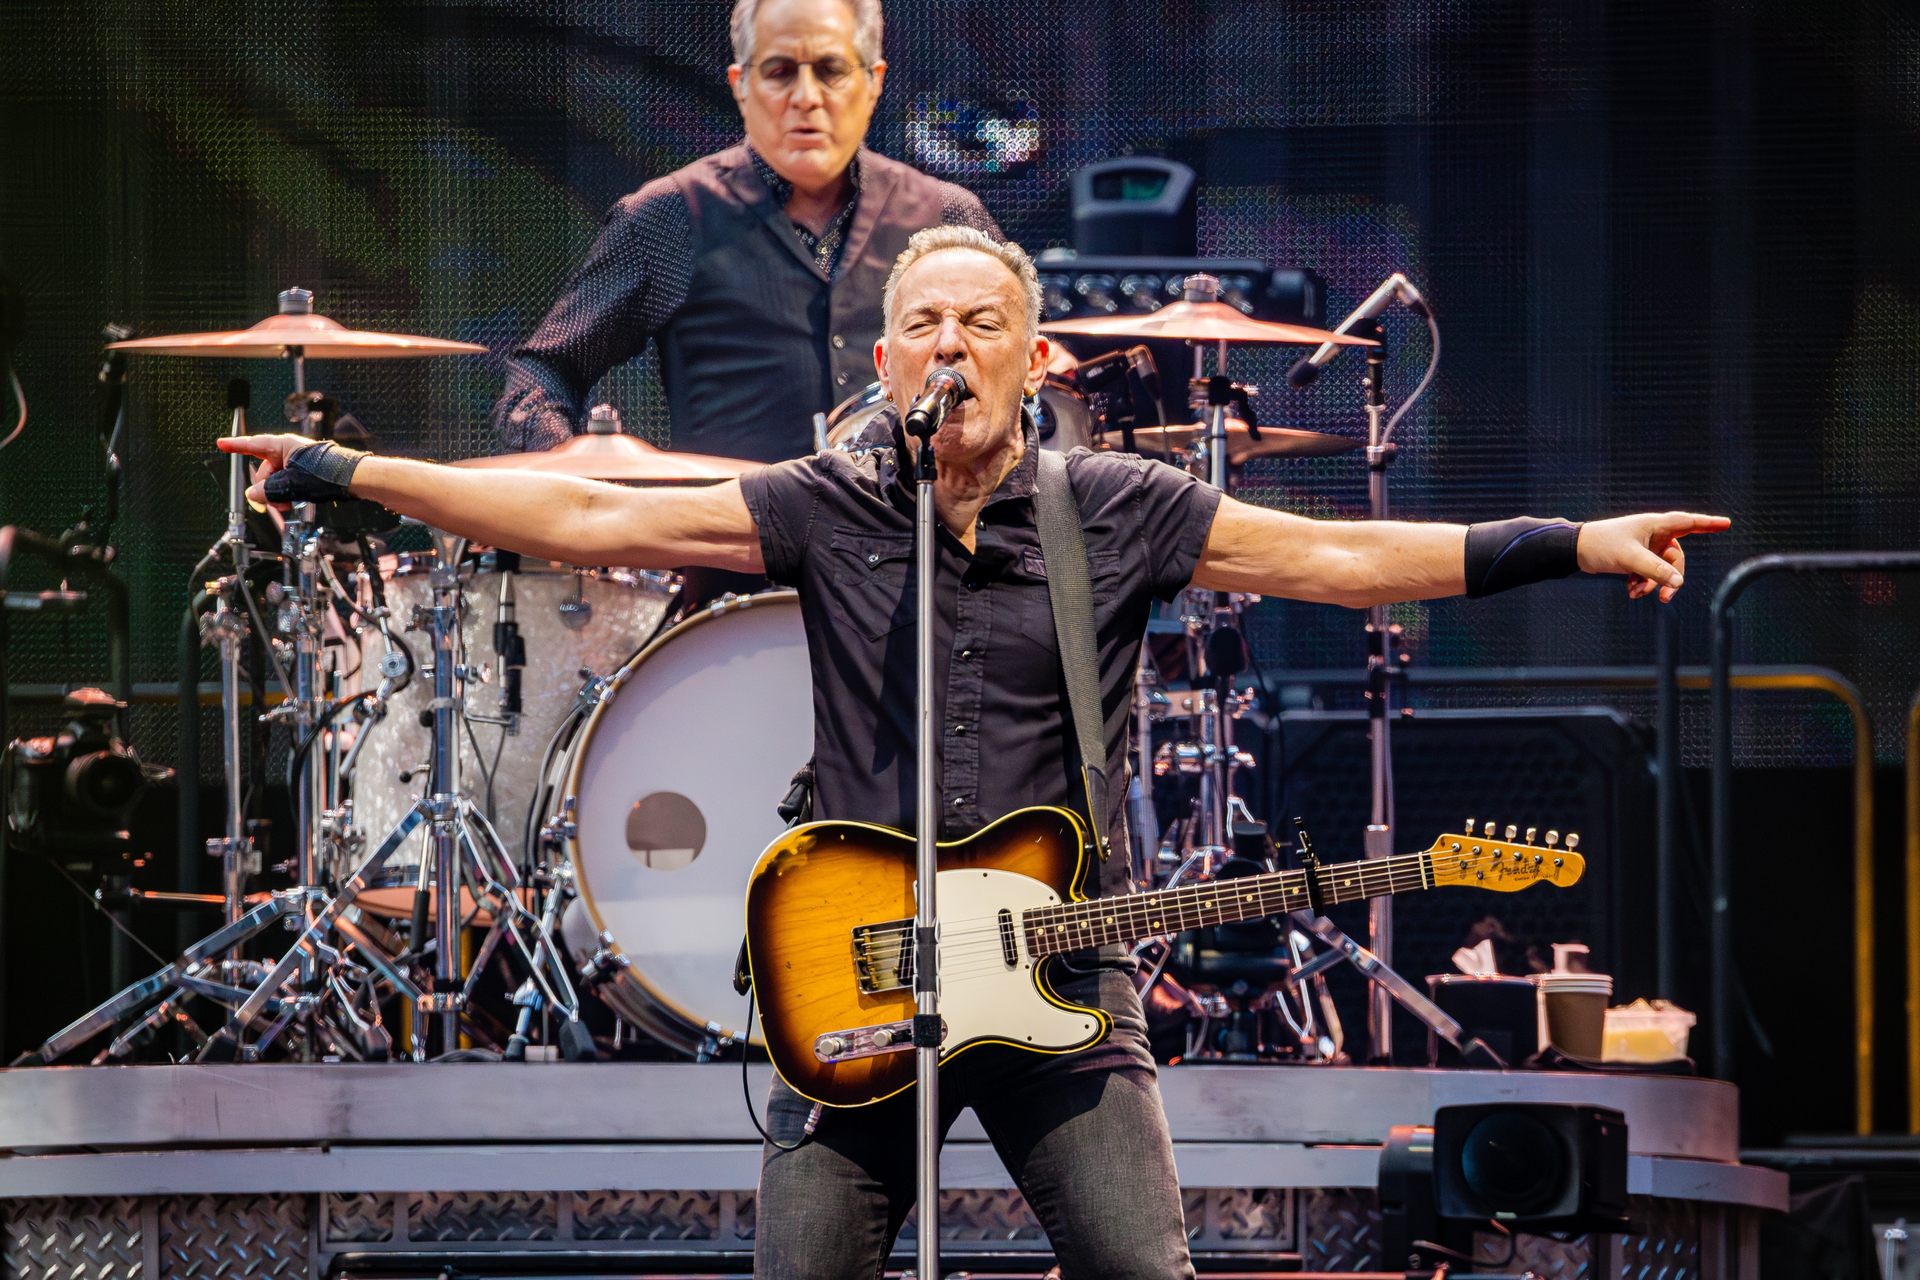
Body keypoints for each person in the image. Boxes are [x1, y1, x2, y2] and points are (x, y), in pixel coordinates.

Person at [222, 226, 1728, 1280]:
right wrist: (354, 468)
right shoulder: (824, 502)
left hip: (1065, 968)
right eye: (926, 326)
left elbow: (1339, 559)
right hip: (857, 963)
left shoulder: (1119, 507)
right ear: (888, 360)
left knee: (1141, 1266)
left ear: (1036, 355)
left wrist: (1567, 542)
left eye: (981, 324)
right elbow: (592, 516)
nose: (952, 345)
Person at [489, 0, 1000, 465]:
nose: (806, 97)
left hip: (919, 558)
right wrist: (578, 470)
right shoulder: (668, 217)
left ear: (873, 80)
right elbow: (539, 377)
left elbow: (1020, 373)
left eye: (831, 70)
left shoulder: (948, 215)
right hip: (732, 554)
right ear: (740, 83)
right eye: (780, 72)